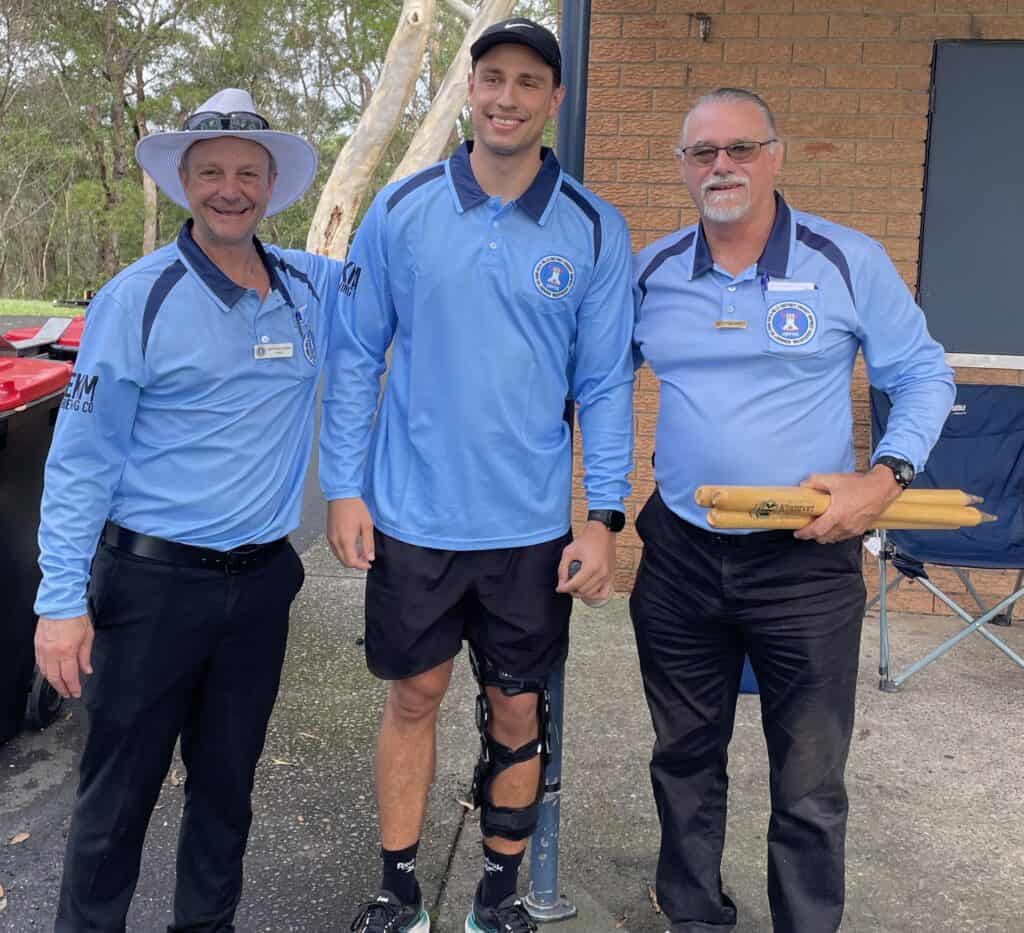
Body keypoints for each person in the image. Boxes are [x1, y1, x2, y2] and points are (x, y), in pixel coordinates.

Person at [320, 18, 634, 933]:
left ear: (554, 99)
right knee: (413, 694)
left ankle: (498, 897)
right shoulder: (403, 208)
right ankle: (400, 888)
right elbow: (353, 356)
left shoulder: (591, 226)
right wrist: (344, 486)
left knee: (515, 704)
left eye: (528, 82)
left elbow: (607, 383)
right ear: (469, 88)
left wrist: (602, 516)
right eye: (491, 77)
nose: (506, 97)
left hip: (529, 528)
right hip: (414, 516)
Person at [630, 87, 955, 933]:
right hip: (681, 553)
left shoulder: (844, 260)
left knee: (809, 777)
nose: (722, 166)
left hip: (806, 556)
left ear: (776, 155)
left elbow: (924, 374)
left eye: (739, 148)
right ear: (682, 168)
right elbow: (591, 381)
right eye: (703, 154)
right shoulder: (654, 271)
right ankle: (695, 914)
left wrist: (882, 481)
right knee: (683, 754)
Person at [32, 87, 341, 933]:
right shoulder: (137, 297)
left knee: (226, 792)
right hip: (149, 587)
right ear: (185, 182)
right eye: (211, 172)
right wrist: (60, 600)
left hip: (262, 585)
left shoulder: (312, 291)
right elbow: (80, 459)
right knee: (114, 804)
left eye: (248, 172)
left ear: (273, 185)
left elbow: (409, 286)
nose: (230, 188)